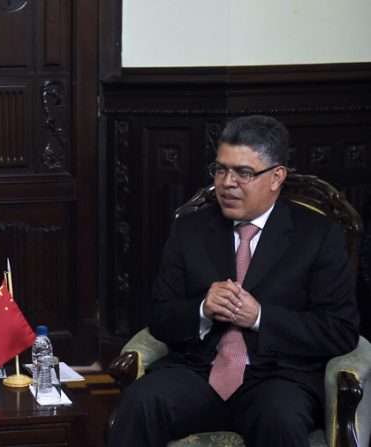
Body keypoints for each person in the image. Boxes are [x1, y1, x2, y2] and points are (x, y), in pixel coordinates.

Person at [107, 115, 359, 446]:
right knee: (139, 403)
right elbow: (159, 315)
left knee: (281, 419)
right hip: (197, 372)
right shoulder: (190, 230)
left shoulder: (317, 236)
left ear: (276, 177)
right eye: (221, 169)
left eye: (243, 173)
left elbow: (340, 330)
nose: (227, 183)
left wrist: (259, 318)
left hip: (278, 379)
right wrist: (201, 311)